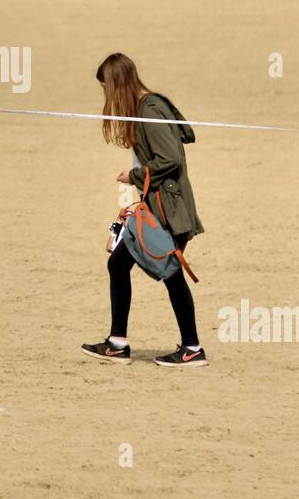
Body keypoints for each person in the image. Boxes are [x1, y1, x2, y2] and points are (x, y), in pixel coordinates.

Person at [82, 53, 207, 368]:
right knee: (120, 264)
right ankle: (117, 343)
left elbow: (171, 160)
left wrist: (132, 176)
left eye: (106, 88)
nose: (107, 97)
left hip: (169, 210)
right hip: (155, 208)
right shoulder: (147, 108)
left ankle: (191, 348)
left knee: (171, 274)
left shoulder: (149, 109)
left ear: (117, 84)